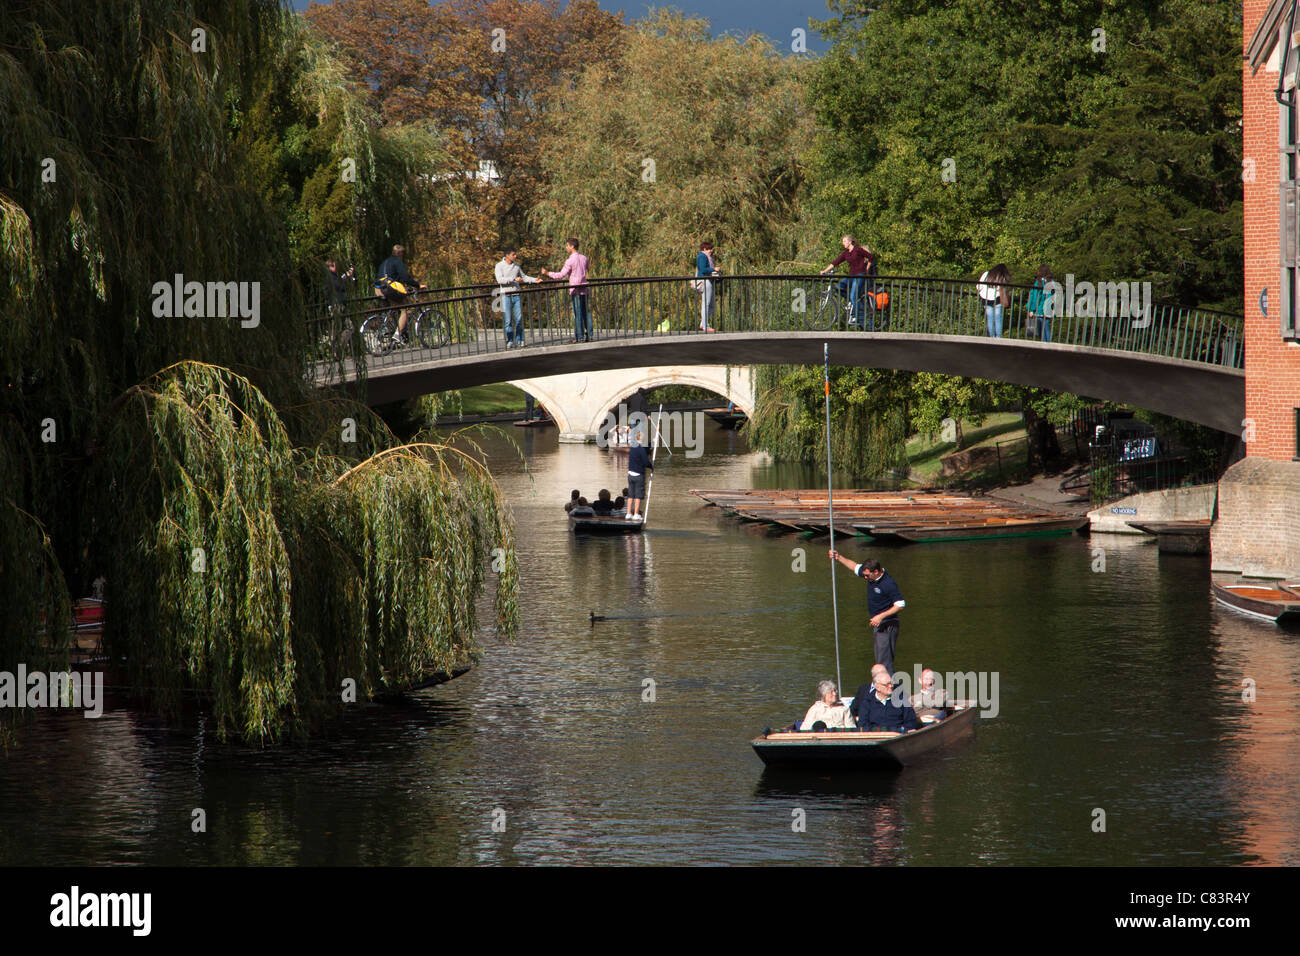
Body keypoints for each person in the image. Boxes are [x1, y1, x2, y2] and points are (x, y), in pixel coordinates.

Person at [828, 551, 905, 679]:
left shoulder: (888, 583)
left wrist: (880, 616)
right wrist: (838, 557)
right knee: (880, 658)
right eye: (864, 575)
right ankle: (882, 687)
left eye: (867, 576)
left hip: (888, 625)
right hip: (878, 624)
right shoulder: (870, 575)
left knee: (884, 662)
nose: (865, 578)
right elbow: (854, 566)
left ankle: (888, 690)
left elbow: (900, 604)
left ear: (876, 572)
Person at [820, 235, 876, 329]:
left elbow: (871, 257)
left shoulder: (858, 250)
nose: (843, 243)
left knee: (854, 296)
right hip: (851, 276)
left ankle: (862, 320)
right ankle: (853, 303)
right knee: (838, 287)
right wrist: (825, 271)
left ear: (850, 242)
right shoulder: (846, 253)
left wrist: (866, 269)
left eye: (844, 241)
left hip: (860, 275)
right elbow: (836, 262)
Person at [543, 238, 592, 342]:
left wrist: (548, 273)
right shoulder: (584, 258)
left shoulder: (570, 260)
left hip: (575, 289)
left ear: (572, 246)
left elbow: (561, 275)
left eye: (567, 246)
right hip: (585, 288)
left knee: (577, 313)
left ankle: (579, 337)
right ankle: (590, 335)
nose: (566, 247)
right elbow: (588, 268)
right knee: (586, 312)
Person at [376, 244, 422, 344]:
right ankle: (397, 334)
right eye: (403, 253)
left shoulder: (385, 261)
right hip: (389, 288)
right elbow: (405, 277)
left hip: (379, 288)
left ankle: (392, 329)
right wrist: (417, 285)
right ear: (400, 253)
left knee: (396, 308)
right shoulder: (397, 261)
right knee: (406, 309)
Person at [495, 249, 541, 349]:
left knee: (519, 319)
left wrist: (534, 280)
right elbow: (500, 280)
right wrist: (513, 279)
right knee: (508, 320)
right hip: (505, 295)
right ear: (507, 256)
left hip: (516, 295)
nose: (515, 256)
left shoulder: (516, 266)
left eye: (515, 255)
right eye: (513, 255)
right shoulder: (499, 266)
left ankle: (520, 340)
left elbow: (524, 277)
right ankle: (510, 341)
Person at [853, 671, 920, 732]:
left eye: (891, 683)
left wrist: (904, 731)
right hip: (875, 736)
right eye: (887, 684)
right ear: (877, 687)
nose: (891, 686)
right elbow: (863, 724)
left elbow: (911, 722)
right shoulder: (867, 702)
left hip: (897, 737)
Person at [977, 264, 1011, 338]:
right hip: (997, 299)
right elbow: (1001, 289)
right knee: (998, 319)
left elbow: (978, 287)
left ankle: (992, 337)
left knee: (990, 319)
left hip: (986, 298)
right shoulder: (1001, 277)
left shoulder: (986, 274)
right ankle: (998, 338)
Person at [625, 431, 653, 521]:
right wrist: (651, 466)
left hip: (630, 474)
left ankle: (628, 513)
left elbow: (646, 450)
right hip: (638, 475)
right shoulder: (641, 449)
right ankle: (636, 514)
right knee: (638, 495)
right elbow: (645, 462)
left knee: (630, 495)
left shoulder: (633, 447)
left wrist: (651, 443)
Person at [694, 241, 721, 332]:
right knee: (706, 304)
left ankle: (703, 324)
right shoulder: (702, 256)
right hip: (704, 281)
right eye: (709, 249)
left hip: (709, 280)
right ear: (704, 249)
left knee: (712, 305)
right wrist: (713, 269)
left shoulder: (707, 257)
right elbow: (703, 269)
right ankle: (706, 326)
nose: (711, 251)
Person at [1027, 264, 1054, 343]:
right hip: (1049, 308)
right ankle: (1048, 344)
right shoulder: (1052, 282)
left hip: (1040, 308)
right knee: (1046, 326)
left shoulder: (1039, 282)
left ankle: (1044, 344)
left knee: (1041, 327)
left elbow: (1035, 296)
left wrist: (1031, 309)